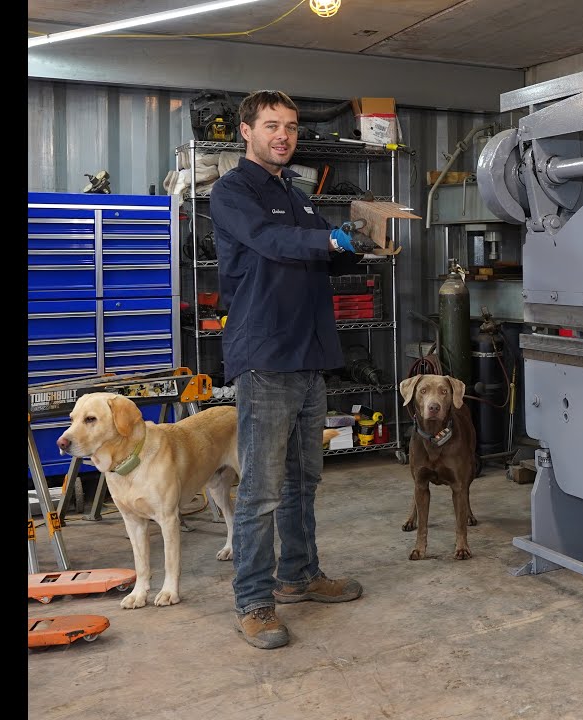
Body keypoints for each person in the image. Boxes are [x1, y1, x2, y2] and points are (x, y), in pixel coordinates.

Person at [211, 89, 376, 649]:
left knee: (304, 479)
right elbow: (273, 243)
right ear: (246, 131)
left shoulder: (297, 196)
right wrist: (327, 235)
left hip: (309, 355)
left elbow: (316, 255)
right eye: (271, 125)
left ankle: (298, 576)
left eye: (291, 127)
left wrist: (358, 242)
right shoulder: (233, 193)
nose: (283, 135)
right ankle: (253, 602)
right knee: (260, 489)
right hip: (266, 355)